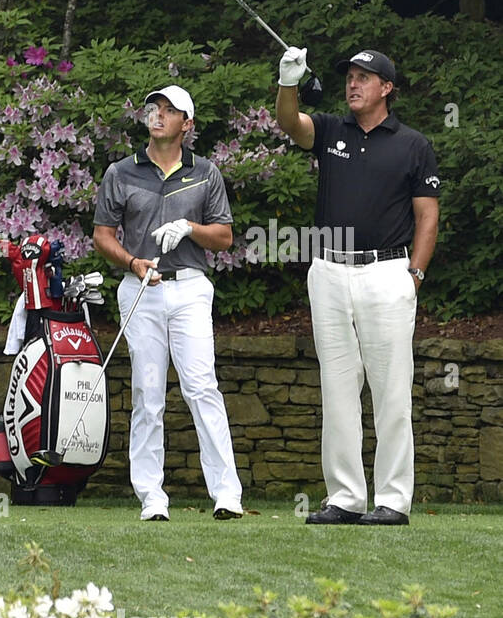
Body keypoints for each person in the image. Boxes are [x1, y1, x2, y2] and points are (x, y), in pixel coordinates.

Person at [276, 47, 440, 526]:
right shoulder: (331, 130)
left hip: (387, 273)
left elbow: (427, 216)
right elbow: (290, 122)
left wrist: (415, 275)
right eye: (349, 76)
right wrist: (288, 79)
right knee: (338, 388)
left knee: (391, 391)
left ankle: (392, 500)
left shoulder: (413, 144)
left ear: (386, 88)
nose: (353, 84)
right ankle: (345, 497)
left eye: (364, 78)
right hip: (328, 273)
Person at [92, 85, 244, 522]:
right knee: (148, 393)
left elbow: (224, 236)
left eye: (169, 110)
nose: (157, 115)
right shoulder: (121, 172)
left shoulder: (206, 173)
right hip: (141, 288)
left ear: (187, 124)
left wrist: (189, 227)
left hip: (190, 287)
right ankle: (152, 497)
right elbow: (103, 234)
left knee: (202, 388)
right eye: (153, 108)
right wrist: (132, 261)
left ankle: (226, 493)